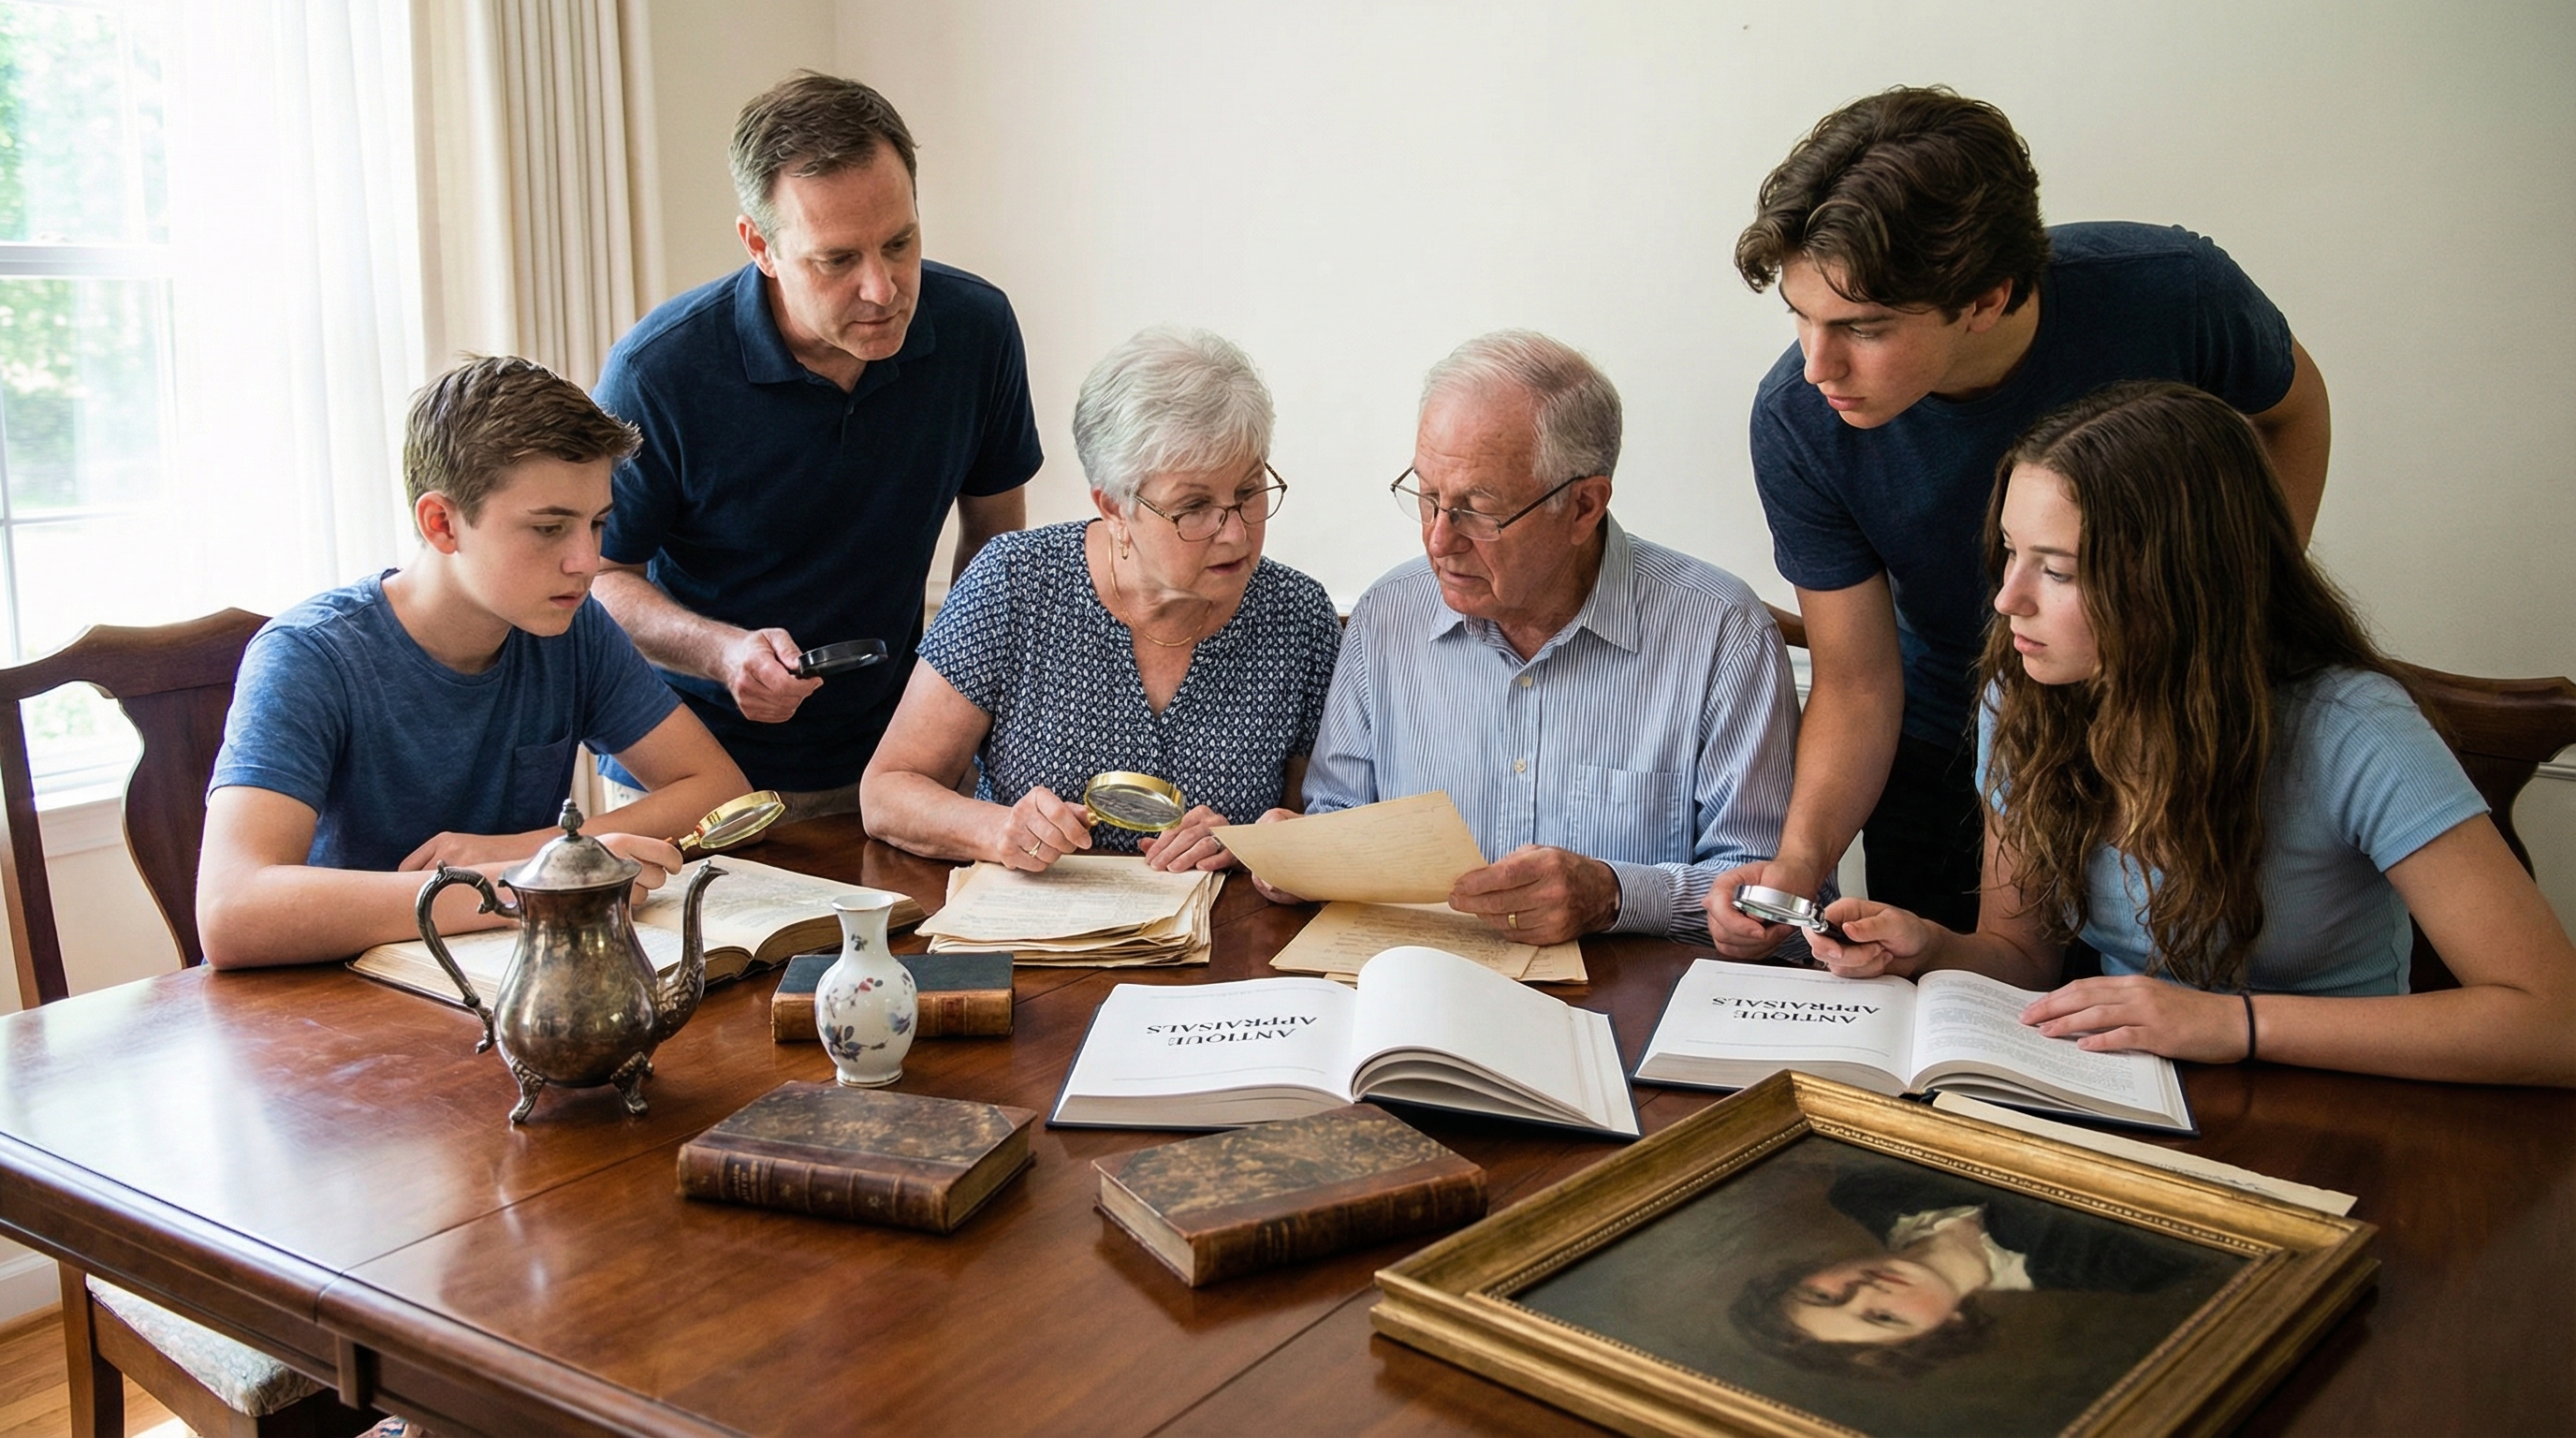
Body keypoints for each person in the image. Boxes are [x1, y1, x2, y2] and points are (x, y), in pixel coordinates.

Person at [1710, 86, 2334, 954]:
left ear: (1989, 297)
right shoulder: (1796, 418)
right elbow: (1856, 680)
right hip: (1950, 756)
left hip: (2181, 730)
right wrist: (1797, 861)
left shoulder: (2174, 293)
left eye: (1865, 327)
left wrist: (2237, 613)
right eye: (1802, 317)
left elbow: (2292, 412)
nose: (1819, 365)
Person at [1808, 382, 2576, 1086]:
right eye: (2011, 552)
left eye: (2060, 571)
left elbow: (2553, 1024)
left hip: (2344, 1106)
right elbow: (2022, 959)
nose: (2009, 599)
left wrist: (2233, 1023)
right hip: (2134, 1093)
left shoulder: (2356, 729)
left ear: (2176, 580)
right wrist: (1932, 949)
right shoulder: (2025, 695)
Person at [198, 358, 752, 969]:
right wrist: (524, 882)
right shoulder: (309, 656)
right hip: (342, 1007)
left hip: (513, 984)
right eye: (548, 529)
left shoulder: (573, 627)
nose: (586, 562)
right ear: (442, 524)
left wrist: (542, 852)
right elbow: (231, 910)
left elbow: (718, 792)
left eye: (597, 525)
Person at [593, 73, 1042, 815]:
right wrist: (723, 651)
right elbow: (600, 579)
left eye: (900, 243)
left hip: (898, 765)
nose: (883, 288)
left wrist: (946, 724)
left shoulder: (978, 329)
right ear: (759, 246)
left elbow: (995, 544)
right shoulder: (658, 371)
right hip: (692, 775)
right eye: (836, 260)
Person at [1287, 330, 1800, 946]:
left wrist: (1613, 894)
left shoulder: (1720, 633)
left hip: (1631, 1014)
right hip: (1421, 998)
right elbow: (1337, 821)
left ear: (1584, 506)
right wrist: (1295, 857)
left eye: (1478, 510)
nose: (1438, 542)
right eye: (1426, 498)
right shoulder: (1387, 617)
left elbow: (1772, 897)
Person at [860, 329, 1341, 872]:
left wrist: (1249, 846)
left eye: (1250, 492)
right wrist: (998, 830)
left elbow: (1312, 818)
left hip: (1223, 939)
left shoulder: (1299, 617)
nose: (1235, 533)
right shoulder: (1015, 583)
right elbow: (887, 793)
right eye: (1194, 506)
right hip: (1034, 937)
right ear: (1114, 507)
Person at [1733, 1165, 2204, 1378]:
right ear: (1947, 1328)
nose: (1864, 1291)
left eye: (1825, 1297)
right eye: (1884, 1318)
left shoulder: (1861, 1189)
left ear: (1809, 1270)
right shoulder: (2122, 1265)